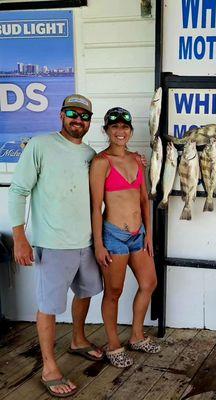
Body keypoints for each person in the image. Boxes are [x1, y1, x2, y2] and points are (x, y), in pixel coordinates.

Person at [8, 94, 104, 397]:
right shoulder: (40, 145)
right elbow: (18, 190)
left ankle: (78, 339)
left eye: (85, 116)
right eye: (73, 114)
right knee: (48, 307)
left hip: (86, 243)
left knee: (86, 292)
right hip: (52, 245)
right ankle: (49, 365)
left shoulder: (90, 154)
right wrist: (19, 237)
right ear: (61, 116)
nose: (79, 120)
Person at [89, 107, 159, 368]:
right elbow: (96, 207)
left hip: (138, 235)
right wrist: (98, 244)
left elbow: (144, 200)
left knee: (149, 283)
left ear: (130, 131)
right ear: (106, 130)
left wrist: (149, 235)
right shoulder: (101, 162)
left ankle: (137, 335)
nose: (120, 132)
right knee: (114, 291)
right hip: (114, 236)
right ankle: (113, 344)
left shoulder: (136, 160)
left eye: (125, 127)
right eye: (115, 127)